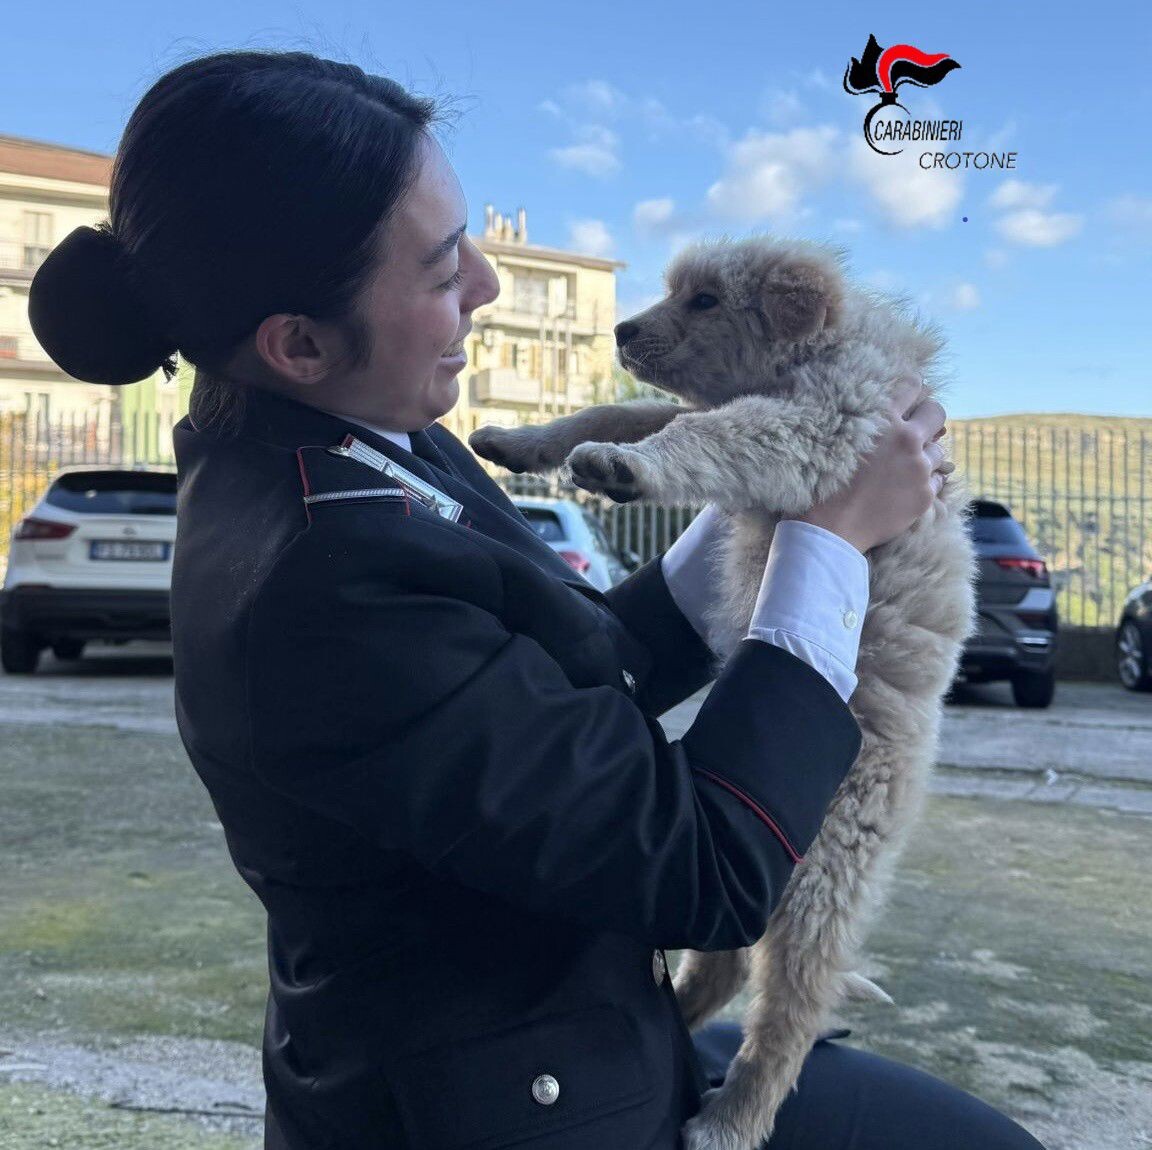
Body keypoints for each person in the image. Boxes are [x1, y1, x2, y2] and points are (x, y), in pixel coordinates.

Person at [29, 49, 1046, 1150]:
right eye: (438, 268)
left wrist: (780, 484)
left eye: (465, 239)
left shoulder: (361, 438)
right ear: (300, 342)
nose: (487, 284)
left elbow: (570, 670)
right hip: (517, 1106)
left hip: (575, 1034)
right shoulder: (319, 578)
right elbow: (705, 869)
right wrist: (832, 536)